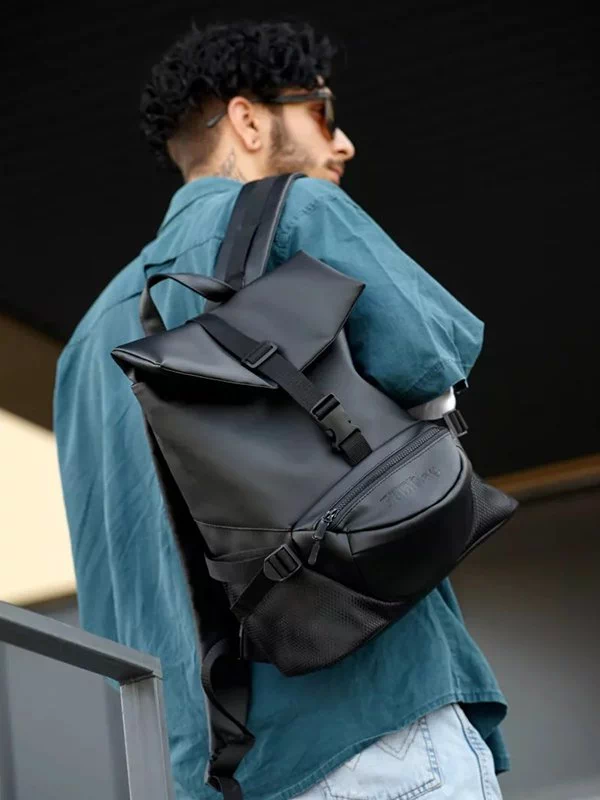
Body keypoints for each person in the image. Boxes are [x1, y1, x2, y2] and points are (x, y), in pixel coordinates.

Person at [54, 20, 508, 800]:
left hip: (200, 772)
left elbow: (108, 576)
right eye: (322, 112)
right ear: (248, 119)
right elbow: (432, 369)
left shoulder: (83, 348)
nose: (343, 143)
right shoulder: (297, 211)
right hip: (367, 727)